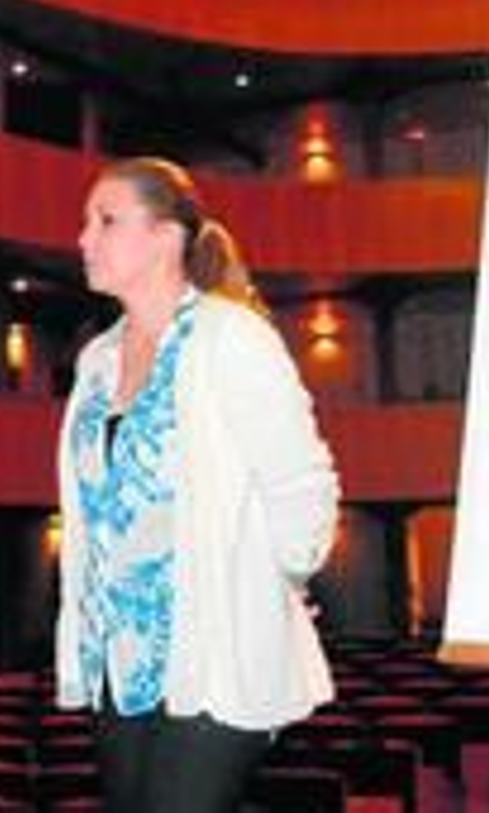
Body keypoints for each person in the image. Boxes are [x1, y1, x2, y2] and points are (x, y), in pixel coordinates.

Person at [54, 156, 340, 812]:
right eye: (85, 222)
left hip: (214, 648)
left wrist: (288, 575)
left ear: (166, 237)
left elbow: (301, 479)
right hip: (115, 663)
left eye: (106, 220)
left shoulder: (231, 338)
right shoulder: (97, 361)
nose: (83, 238)